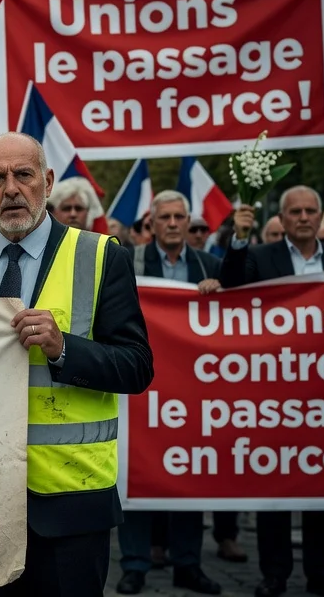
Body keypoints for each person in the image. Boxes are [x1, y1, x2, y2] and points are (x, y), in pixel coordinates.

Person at [0, 132, 153, 597]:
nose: (11, 189)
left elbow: (138, 367)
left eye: (24, 175)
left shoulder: (102, 255)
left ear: (48, 181)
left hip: (71, 500)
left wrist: (64, 349)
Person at [220, 187, 324, 597]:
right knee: (273, 485)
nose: (303, 217)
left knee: (321, 485)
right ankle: (274, 573)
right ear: (281, 218)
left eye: (310, 211)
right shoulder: (260, 258)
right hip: (271, 396)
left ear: (320, 215)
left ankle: (322, 573)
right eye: (294, 211)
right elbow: (231, 286)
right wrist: (239, 240)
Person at [115, 191, 222, 596]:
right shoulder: (130, 262)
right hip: (142, 384)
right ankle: (135, 564)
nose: (174, 224)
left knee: (187, 475)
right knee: (137, 472)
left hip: (191, 391)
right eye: (166, 217)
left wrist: (218, 290)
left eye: (180, 217)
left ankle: (188, 564)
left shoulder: (208, 265)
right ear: (152, 222)